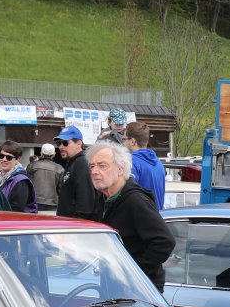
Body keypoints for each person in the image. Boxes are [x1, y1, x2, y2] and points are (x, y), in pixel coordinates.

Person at [88, 139, 174, 290]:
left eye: (102, 166)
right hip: (112, 284)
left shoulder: (135, 200)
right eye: (92, 166)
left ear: (120, 169)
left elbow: (164, 241)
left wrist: (134, 274)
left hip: (139, 290)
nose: (95, 171)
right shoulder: (104, 199)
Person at [53, 125, 101, 220]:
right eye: (58, 143)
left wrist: (77, 224)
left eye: (65, 143)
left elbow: (85, 203)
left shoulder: (82, 163)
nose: (61, 147)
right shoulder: (73, 162)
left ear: (79, 143)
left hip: (76, 224)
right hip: (69, 223)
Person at [123, 121, 166, 209]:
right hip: (157, 214)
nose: (123, 143)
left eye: (124, 139)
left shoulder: (131, 162)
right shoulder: (158, 162)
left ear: (132, 141)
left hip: (140, 215)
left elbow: (128, 197)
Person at [0, 141, 37, 213]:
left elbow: (16, 210)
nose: (4, 159)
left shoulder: (21, 181)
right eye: (1, 156)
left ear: (17, 159)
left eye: (9, 157)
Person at [30, 142, 63, 214]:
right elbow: (61, 189)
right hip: (53, 204)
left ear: (41, 153)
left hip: (35, 202)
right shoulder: (59, 168)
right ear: (54, 154)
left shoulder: (32, 166)